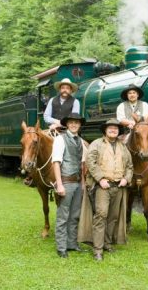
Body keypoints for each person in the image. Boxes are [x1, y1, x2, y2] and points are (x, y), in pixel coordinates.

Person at [84, 118, 133, 261]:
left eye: (116, 128)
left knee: (113, 217)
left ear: (119, 132)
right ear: (105, 130)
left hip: (118, 186)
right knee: (101, 215)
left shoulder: (123, 146)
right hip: (102, 186)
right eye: (110, 128)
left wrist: (127, 178)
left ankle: (107, 243)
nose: (113, 130)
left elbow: (129, 166)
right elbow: (90, 162)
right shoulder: (96, 144)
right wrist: (100, 178)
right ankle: (98, 249)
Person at [51, 112, 87, 258]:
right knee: (63, 216)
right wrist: (59, 185)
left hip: (78, 182)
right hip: (66, 181)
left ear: (79, 125)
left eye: (76, 122)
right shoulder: (60, 139)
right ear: (67, 124)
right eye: (71, 122)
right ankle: (61, 247)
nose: (74, 125)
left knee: (75, 215)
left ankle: (72, 244)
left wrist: (83, 183)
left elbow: (82, 164)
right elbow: (56, 163)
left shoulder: (80, 141)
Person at [116, 83, 148, 169]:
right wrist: (129, 123)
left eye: (134, 93)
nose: (132, 95)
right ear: (127, 95)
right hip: (128, 133)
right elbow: (120, 119)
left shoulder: (144, 105)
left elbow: (145, 118)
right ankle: (119, 169)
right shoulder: (121, 106)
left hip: (142, 132)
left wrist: (137, 125)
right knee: (119, 148)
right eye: (129, 93)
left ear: (137, 94)